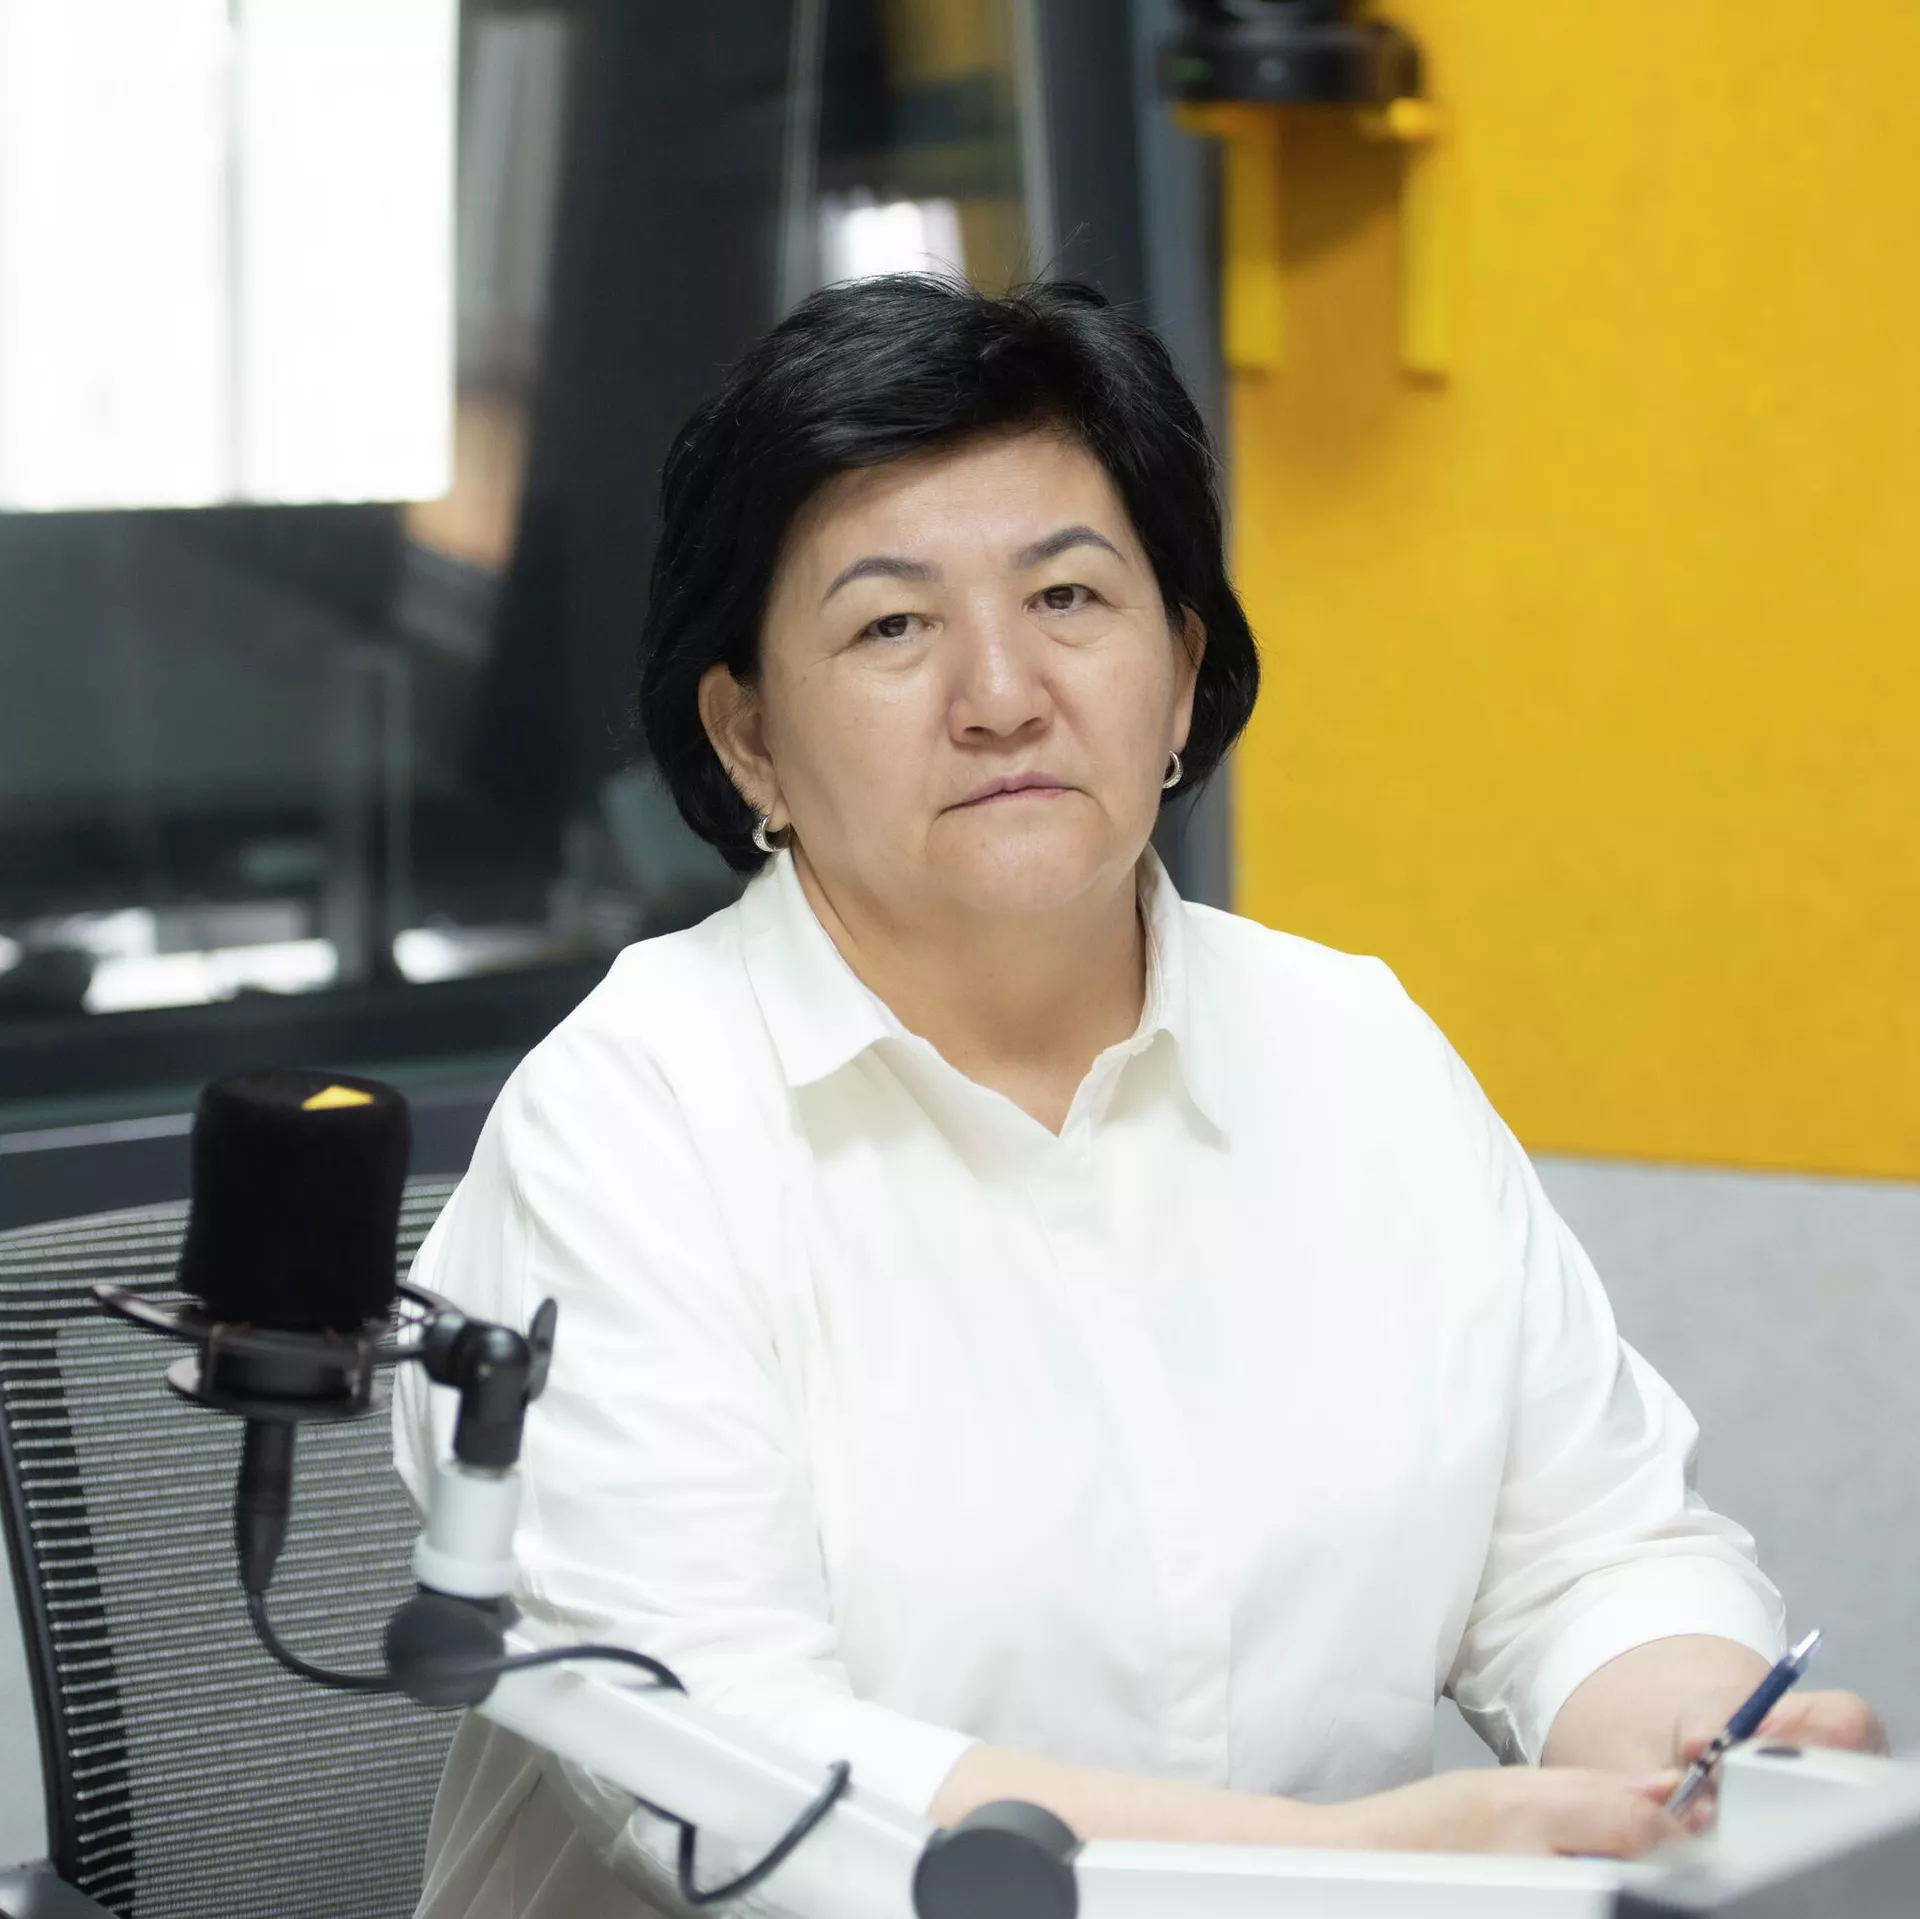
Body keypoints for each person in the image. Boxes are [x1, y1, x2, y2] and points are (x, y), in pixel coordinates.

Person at [392, 276, 1883, 1919]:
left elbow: (1590, 1552)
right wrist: (1358, 1869)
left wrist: (1696, 1731)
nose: (1002, 692)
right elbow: (726, 1777)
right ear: (747, 736)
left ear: (1178, 672)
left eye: (1070, 596)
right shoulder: (628, 1123)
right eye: (892, 626)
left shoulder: (1354, 1048)